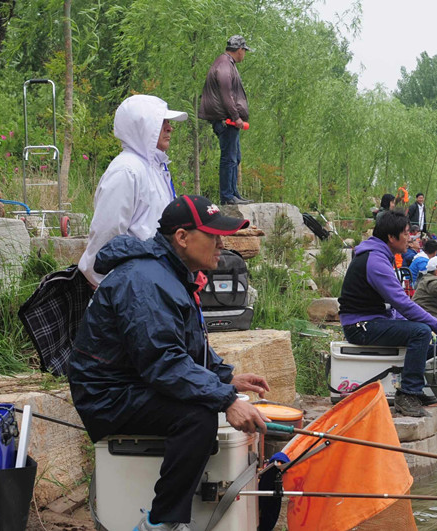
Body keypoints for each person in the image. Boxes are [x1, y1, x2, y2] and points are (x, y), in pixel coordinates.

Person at [70, 195, 270, 531]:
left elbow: (183, 348)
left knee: (202, 406)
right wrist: (224, 398)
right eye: (214, 235)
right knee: (196, 417)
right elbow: (163, 362)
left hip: (135, 382)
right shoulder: (145, 281)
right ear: (182, 237)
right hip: (108, 394)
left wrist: (226, 378)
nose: (221, 244)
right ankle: (161, 524)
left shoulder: (169, 273)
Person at [338, 210, 437, 417]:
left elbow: (398, 307)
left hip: (374, 320)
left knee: (425, 335)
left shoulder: (379, 256)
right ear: (391, 237)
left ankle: (416, 388)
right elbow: (403, 303)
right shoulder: (375, 261)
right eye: (406, 233)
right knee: (421, 332)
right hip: (360, 326)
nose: (410, 238)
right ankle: (407, 394)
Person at [78, 94, 188, 287]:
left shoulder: (155, 167)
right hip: (132, 286)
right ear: (142, 127)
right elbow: (106, 236)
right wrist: (113, 290)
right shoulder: (126, 171)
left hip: (153, 281)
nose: (170, 128)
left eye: (168, 122)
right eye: (161, 122)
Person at [198, 35, 253, 205]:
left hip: (227, 119)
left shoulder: (227, 63)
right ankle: (227, 196)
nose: (244, 54)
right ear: (239, 50)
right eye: (245, 51)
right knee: (228, 158)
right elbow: (225, 94)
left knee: (235, 157)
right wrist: (235, 117)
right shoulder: (224, 65)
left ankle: (233, 193)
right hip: (226, 120)